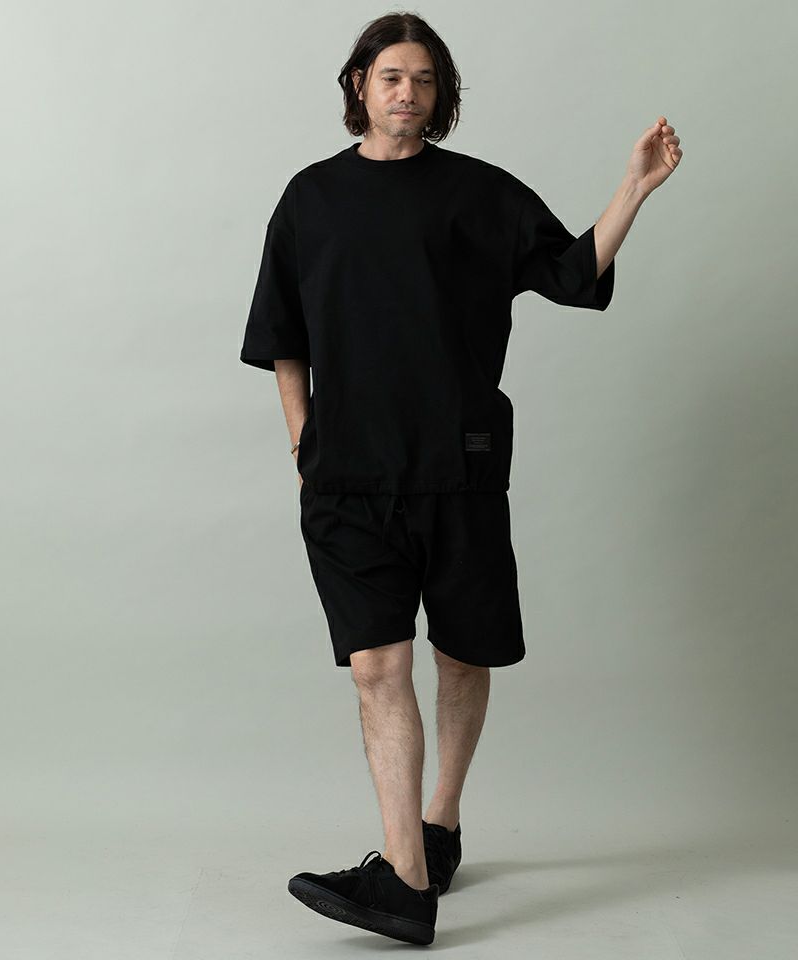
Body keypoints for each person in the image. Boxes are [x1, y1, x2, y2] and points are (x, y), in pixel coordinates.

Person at [239, 11, 682, 947]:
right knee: (377, 667)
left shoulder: (480, 193)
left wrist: (634, 189)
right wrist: (303, 439)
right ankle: (404, 878)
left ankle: (438, 826)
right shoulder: (310, 198)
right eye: (390, 75)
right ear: (358, 84)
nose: (407, 91)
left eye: (424, 79)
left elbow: (573, 273)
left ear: (440, 95)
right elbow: (282, 333)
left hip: (460, 465)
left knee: (461, 656)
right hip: (348, 476)